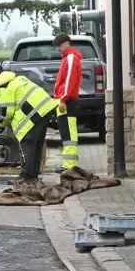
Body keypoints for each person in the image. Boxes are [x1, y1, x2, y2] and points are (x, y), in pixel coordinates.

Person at [0, 61, 59, 183]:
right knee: (36, 145)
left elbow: (7, 112)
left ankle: (26, 176)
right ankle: (33, 176)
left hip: (34, 114)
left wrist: (1, 126)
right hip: (45, 109)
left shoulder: (3, 87)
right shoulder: (17, 79)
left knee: (27, 144)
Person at [52, 33, 83, 173]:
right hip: (66, 100)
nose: (58, 48)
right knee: (67, 134)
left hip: (67, 101)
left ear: (67, 43)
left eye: (59, 45)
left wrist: (63, 99)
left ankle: (70, 165)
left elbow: (69, 80)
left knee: (69, 134)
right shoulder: (69, 57)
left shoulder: (70, 58)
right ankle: (69, 163)